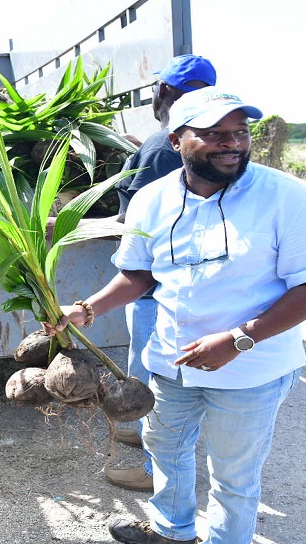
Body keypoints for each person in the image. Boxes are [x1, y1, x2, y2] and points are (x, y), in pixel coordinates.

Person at [45, 87, 306, 544]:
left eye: (240, 132)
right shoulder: (151, 199)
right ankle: (174, 532)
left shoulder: (288, 198)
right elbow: (140, 273)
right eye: (213, 134)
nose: (232, 143)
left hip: (251, 369)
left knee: (232, 478)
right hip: (170, 360)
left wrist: (239, 339)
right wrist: (87, 308)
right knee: (165, 448)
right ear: (176, 137)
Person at [107, 54, 217, 492]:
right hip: (178, 286)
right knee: (161, 380)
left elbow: (140, 223)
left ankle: (155, 473)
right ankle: (137, 434)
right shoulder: (209, 146)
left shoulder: (160, 147)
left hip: (155, 291)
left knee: (157, 381)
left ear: (165, 93)